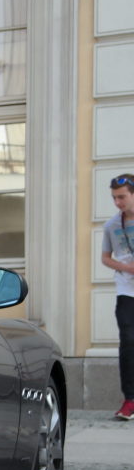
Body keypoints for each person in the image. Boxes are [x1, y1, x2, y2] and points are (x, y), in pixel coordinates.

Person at [101, 173, 134, 420]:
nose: (118, 202)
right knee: (128, 342)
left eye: (122, 197)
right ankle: (130, 400)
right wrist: (127, 268)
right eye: (114, 198)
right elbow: (105, 257)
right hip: (126, 291)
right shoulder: (111, 225)